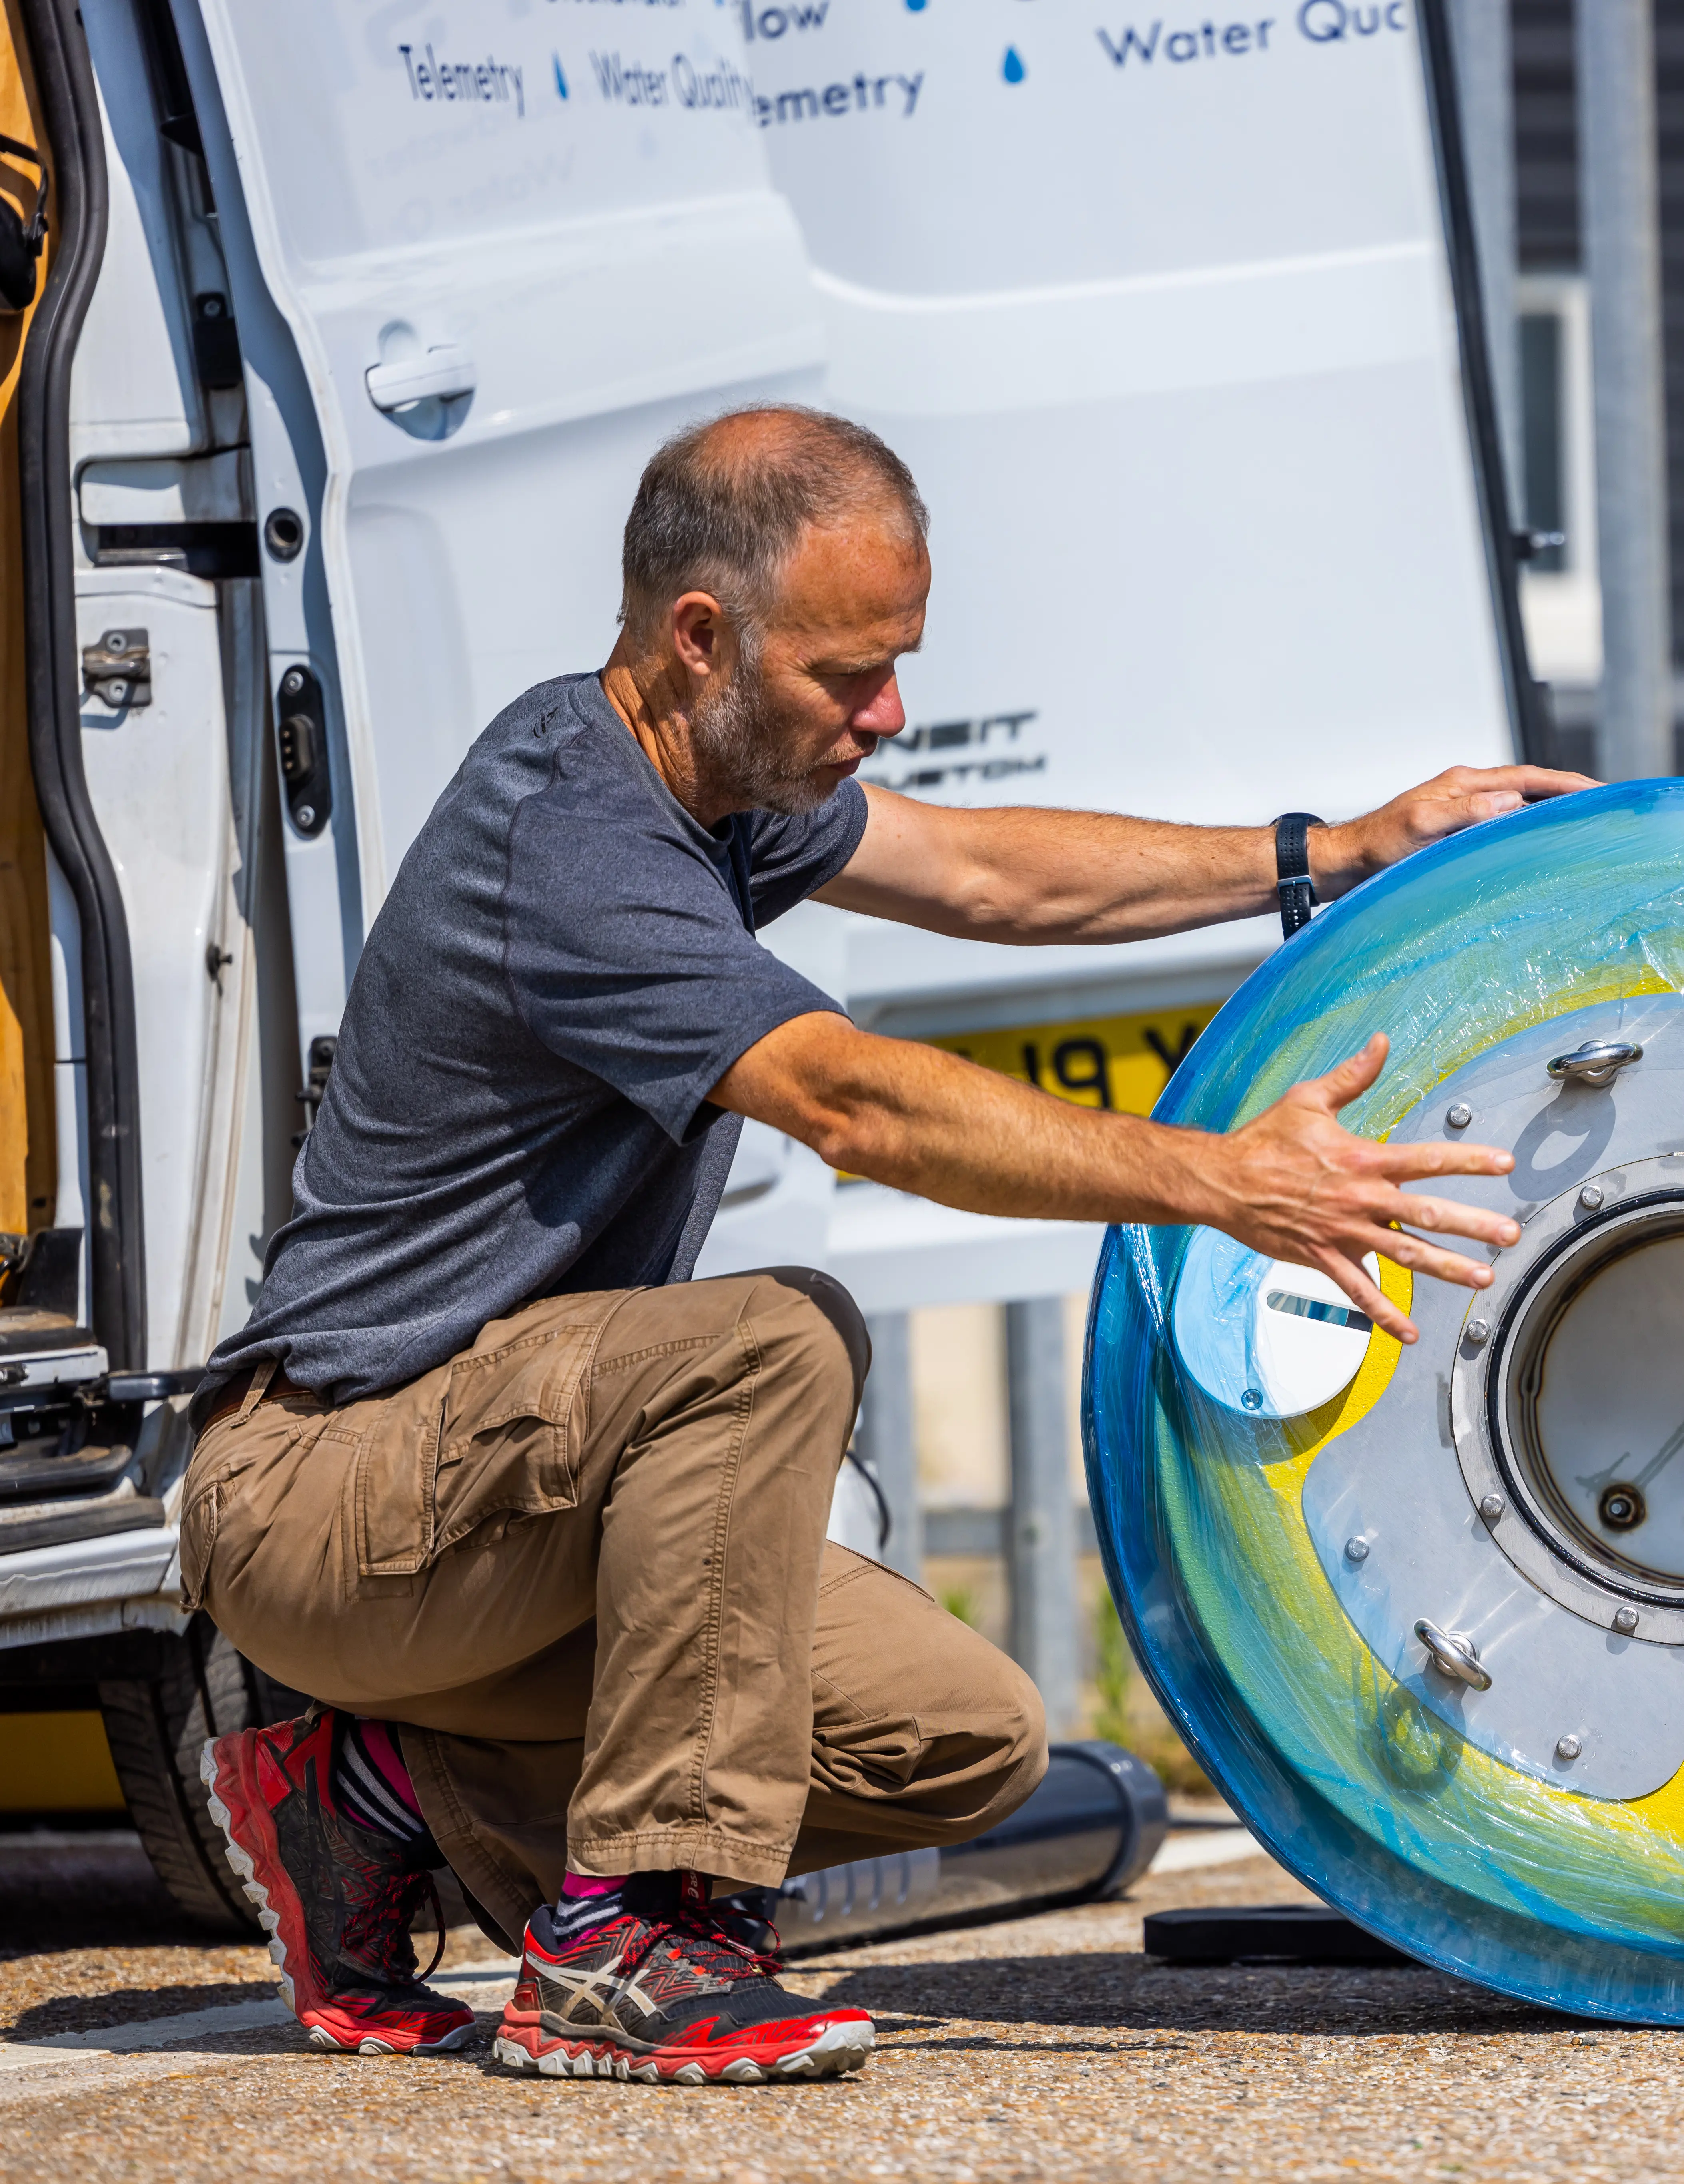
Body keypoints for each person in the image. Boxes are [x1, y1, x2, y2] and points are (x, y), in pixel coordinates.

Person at [180, 406, 1587, 2085]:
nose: (889, 712)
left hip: (490, 1513)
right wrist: (1220, 1180)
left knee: (958, 1738)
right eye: (850, 674)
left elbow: (987, 872)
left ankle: (364, 1798)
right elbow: (854, 1104)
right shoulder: (576, 838)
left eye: (895, 665)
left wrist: (1326, 853)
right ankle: (626, 1944)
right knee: (772, 1336)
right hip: (324, 1489)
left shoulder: (716, 779)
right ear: (698, 637)